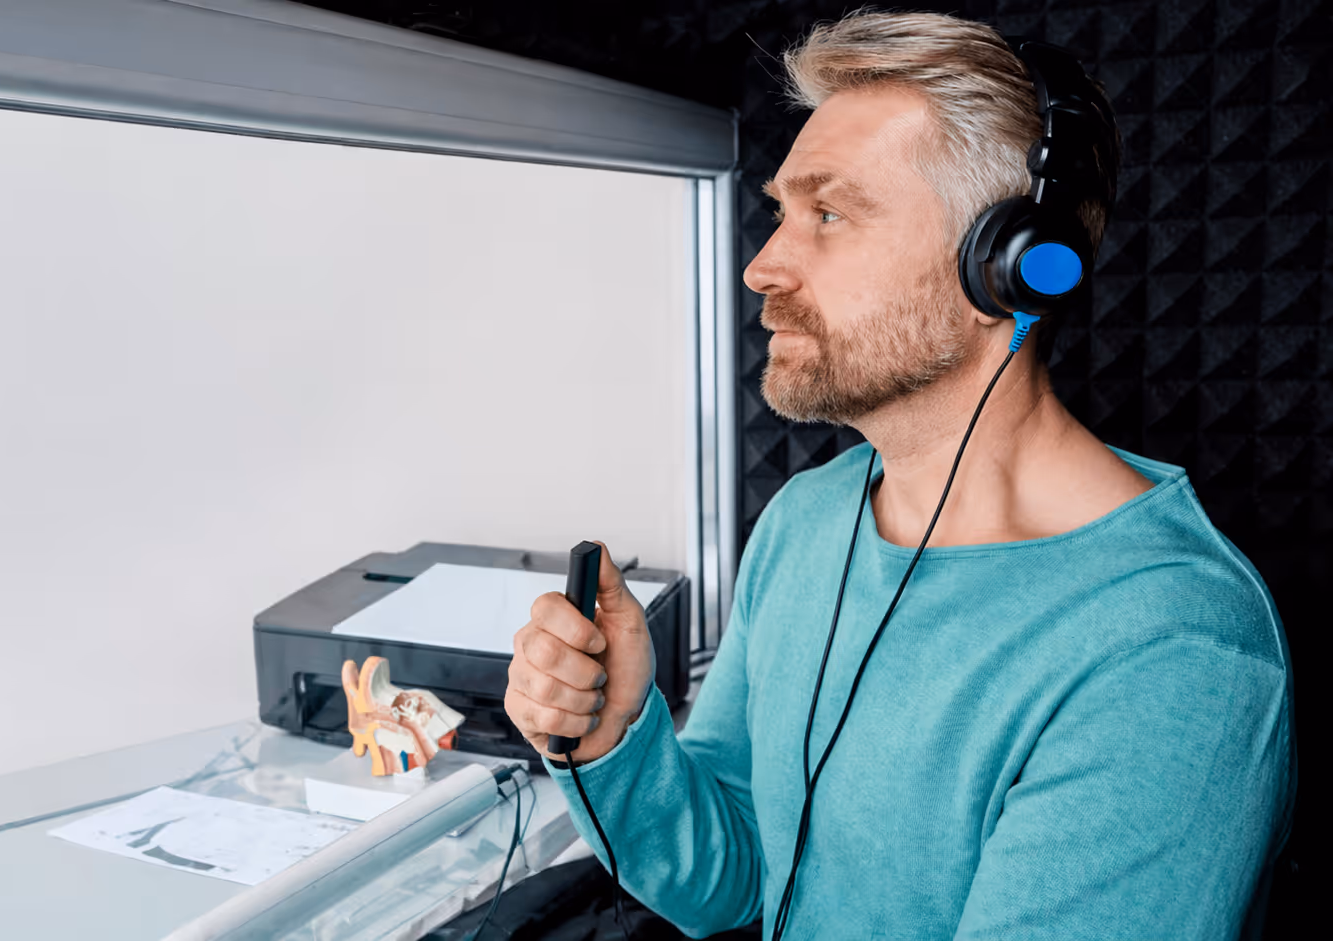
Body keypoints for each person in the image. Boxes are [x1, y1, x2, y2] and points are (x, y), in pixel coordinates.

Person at [502, 10, 1295, 940]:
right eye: (781, 213)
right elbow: (739, 880)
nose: (762, 266)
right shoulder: (806, 519)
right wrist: (614, 737)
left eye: (829, 213)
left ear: (1008, 265)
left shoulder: (1172, 650)